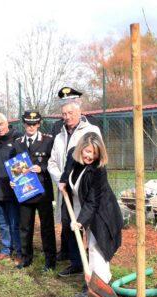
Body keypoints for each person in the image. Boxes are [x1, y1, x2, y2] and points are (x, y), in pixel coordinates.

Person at [59, 133, 123, 297]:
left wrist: (81, 221)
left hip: (102, 212)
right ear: (81, 148)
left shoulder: (98, 171)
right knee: (93, 248)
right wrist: (63, 181)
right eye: (87, 151)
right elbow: (67, 170)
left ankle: (95, 288)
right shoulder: (73, 154)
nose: (90, 156)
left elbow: (93, 201)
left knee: (96, 247)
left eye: (94, 153)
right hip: (83, 207)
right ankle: (102, 281)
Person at [47, 88, 102, 277]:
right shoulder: (59, 136)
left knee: (89, 226)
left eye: (70, 113)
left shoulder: (91, 131)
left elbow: (96, 160)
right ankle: (76, 263)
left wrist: (73, 180)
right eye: (64, 114)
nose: (67, 117)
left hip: (85, 190)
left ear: (79, 111)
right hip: (65, 190)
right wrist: (61, 181)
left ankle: (96, 267)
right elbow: (52, 163)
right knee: (69, 225)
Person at [13, 110, 56, 271]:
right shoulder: (18, 143)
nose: (31, 127)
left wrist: (42, 167)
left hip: (42, 191)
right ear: (24, 124)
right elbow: (14, 166)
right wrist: (13, 180)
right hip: (25, 190)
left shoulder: (48, 140)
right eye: (28, 124)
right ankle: (26, 258)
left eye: (34, 124)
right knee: (25, 226)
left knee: (47, 227)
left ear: (39, 124)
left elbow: (54, 162)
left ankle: (50, 261)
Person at [0, 113, 21, 261]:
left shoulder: (16, 140)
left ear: (7, 123)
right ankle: (6, 249)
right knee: (3, 224)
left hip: (12, 191)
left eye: (0, 124)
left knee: (15, 223)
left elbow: (21, 165)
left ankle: (19, 251)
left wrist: (17, 182)